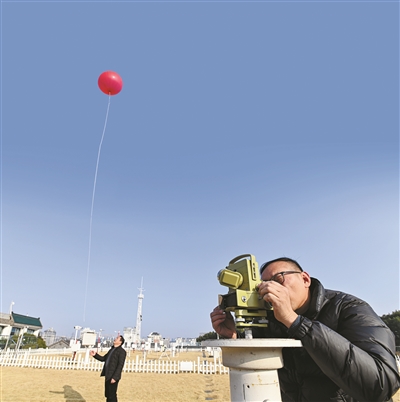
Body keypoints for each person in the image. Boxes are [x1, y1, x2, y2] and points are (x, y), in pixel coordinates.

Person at [210, 257, 400, 402]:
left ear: (305, 279)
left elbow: (381, 385)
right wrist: (234, 335)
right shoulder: (269, 318)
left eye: (278, 279)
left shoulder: (350, 309)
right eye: (263, 284)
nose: (270, 288)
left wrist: (294, 321)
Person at [90, 335, 127, 402]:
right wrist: (95, 355)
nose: (115, 339)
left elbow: (120, 365)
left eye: (117, 338)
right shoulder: (111, 350)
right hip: (108, 375)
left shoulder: (122, 351)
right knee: (108, 394)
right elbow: (103, 358)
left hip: (113, 376)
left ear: (120, 342)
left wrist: (115, 377)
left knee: (112, 395)